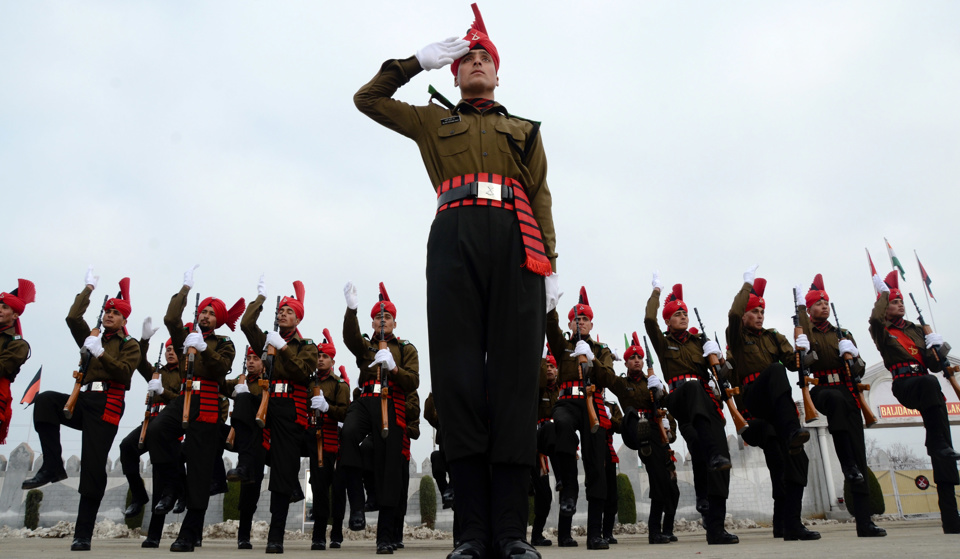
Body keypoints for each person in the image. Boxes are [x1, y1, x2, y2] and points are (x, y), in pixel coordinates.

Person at [354, 4, 557, 557]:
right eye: (465, 57)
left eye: (483, 57)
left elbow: (539, 198)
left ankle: (512, 532)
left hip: (518, 244)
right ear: (454, 72)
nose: (474, 62)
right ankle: (471, 533)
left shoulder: (525, 130)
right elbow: (367, 100)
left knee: (516, 383)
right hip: (453, 238)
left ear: (497, 71)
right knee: (460, 379)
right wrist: (414, 62)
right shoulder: (431, 119)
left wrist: (552, 267)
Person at [25, 269, 139, 551]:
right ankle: (53, 464)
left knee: (92, 467)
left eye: (115, 312)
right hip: (84, 400)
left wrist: (100, 352)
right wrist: (88, 289)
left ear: (124, 319)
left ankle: (83, 533)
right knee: (46, 401)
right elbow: (72, 318)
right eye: (107, 311)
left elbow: (125, 374)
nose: (109, 315)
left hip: (107, 404)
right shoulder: (92, 336)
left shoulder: (130, 344)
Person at [147, 265, 243, 552]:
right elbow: (170, 318)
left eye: (212, 313)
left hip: (208, 403)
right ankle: (175, 483)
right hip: (184, 397)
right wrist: (185, 290)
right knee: (157, 432)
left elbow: (222, 367)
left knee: (200, 471)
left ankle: (189, 535)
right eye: (203, 311)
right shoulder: (186, 335)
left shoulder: (225, 343)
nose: (205, 315)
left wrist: (203, 348)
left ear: (218, 320)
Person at [726, 265, 818, 541]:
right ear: (745, 314)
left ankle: (788, 523)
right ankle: (792, 432)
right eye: (754, 311)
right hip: (754, 402)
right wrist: (746, 286)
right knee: (775, 370)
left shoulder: (774, 337)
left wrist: (805, 346)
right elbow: (733, 314)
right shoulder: (738, 338)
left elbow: (795, 364)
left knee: (793, 462)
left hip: (778, 409)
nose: (759, 315)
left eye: (762, 311)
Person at [644, 275, 737, 545]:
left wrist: (718, 358)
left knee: (720, 462)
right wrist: (657, 291)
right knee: (696, 397)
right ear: (668, 320)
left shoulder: (700, 343)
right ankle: (705, 485)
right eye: (677, 314)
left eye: (685, 313)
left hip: (708, 404)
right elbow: (649, 321)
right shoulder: (663, 342)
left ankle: (715, 526)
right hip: (680, 401)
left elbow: (724, 374)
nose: (683, 316)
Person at [795, 274, 886, 537]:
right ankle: (846, 463)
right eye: (818, 303)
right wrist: (802, 348)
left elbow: (859, 369)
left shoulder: (843, 334)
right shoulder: (806, 332)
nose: (824, 305)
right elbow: (802, 365)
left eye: (826, 302)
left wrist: (853, 356)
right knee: (834, 404)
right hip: (823, 388)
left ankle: (864, 521)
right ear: (810, 309)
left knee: (858, 451)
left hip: (847, 390)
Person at [869, 271, 960, 533]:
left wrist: (940, 347)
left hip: (929, 388)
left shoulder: (916, 329)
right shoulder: (882, 330)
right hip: (905, 385)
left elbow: (933, 365)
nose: (899, 304)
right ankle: (938, 443)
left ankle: (951, 519)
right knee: (938, 431)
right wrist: (883, 294)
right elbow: (875, 318)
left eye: (900, 301)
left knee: (943, 448)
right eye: (894, 301)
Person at [241, 277, 319, 553]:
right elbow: (246, 325)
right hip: (266, 399)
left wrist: (283, 349)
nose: (282, 314)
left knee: (283, 471)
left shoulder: (306, 345)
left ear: (297, 318)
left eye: (288, 311)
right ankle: (246, 464)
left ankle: (276, 536)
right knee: (243, 405)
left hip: (289, 409)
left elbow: (302, 372)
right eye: (280, 310)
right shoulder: (266, 341)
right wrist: (260, 300)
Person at [341, 282, 419, 554]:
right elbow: (351, 339)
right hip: (366, 400)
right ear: (372, 322)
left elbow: (413, 381)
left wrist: (394, 368)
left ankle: (385, 537)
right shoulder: (366, 346)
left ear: (394, 323)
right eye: (377, 317)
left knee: (388, 472)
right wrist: (352, 310)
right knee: (348, 434)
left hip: (392, 402)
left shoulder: (406, 348)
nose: (382, 320)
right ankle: (357, 505)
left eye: (386, 317)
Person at [546, 287, 615, 550]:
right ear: (569, 323)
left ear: (591, 323)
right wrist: (550, 302)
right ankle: (568, 492)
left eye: (584, 319)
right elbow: (549, 325)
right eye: (576, 319)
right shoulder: (562, 345)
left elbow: (608, 377)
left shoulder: (601, 349)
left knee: (597, 466)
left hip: (592, 404)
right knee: (561, 425)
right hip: (566, 402)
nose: (580, 322)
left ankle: (595, 534)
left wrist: (593, 359)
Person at [602, 333, 677, 544]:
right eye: (632, 358)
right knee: (632, 414)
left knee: (661, 481)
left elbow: (666, 408)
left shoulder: (651, 382)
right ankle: (643, 443)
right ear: (625, 362)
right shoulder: (621, 383)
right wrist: (607, 354)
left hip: (653, 433)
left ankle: (655, 531)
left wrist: (660, 391)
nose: (637, 360)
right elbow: (605, 376)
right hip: (633, 429)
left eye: (640, 358)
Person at [118, 330, 182, 547]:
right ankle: (138, 494)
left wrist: (162, 391)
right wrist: (144, 341)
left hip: (168, 429)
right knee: (127, 446)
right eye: (167, 349)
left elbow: (183, 402)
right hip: (151, 421)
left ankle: (154, 534)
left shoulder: (186, 373)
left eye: (174, 349)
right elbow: (139, 362)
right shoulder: (157, 372)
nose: (170, 353)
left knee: (160, 479)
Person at [306, 329, 350, 550]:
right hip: (316, 441)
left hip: (335, 442)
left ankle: (337, 532)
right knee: (319, 489)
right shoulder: (308, 383)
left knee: (338, 491)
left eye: (324, 356)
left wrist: (326, 407)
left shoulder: (340, 385)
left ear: (332, 360)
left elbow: (344, 413)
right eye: (318, 356)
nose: (320, 359)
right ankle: (318, 535)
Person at [225, 347, 267, 550]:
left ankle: (244, 536)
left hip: (263, 440)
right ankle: (243, 537)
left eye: (255, 358)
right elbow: (219, 383)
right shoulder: (241, 380)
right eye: (248, 358)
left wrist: (246, 396)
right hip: (245, 444)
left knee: (252, 488)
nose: (251, 362)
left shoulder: (267, 381)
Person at [0, 278, 35, 445]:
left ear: (15, 315)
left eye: (5, 307)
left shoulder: (18, 344)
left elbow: (2, 368)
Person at [530, 355, 558, 548]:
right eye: (546, 366)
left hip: (554, 444)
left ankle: (537, 533)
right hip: (533, 443)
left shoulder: (561, 390)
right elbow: (540, 383)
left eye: (552, 366)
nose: (549, 369)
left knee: (545, 495)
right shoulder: (537, 389)